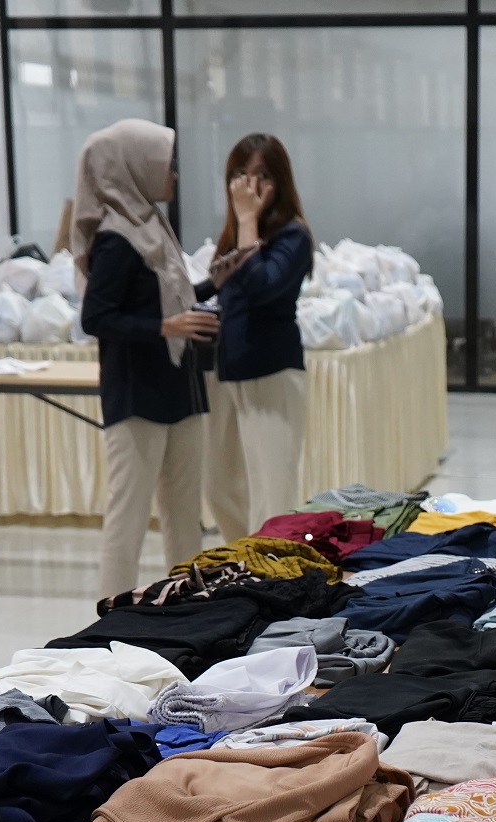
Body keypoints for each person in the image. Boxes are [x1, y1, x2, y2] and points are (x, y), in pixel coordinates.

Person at [73, 119, 214, 603]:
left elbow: (170, 297)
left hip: (178, 386)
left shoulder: (154, 227)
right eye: (165, 165)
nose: (172, 175)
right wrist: (163, 328)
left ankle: (189, 606)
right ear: (133, 168)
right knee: (128, 515)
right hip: (137, 394)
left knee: (184, 512)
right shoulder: (116, 238)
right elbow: (96, 317)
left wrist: (215, 281)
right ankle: (111, 613)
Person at [197, 133, 314, 537]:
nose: (250, 186)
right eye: (241, 175)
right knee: (219, 487)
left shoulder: (293, 235)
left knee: (271, 492)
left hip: (272, 372)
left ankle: (264, 567)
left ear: (280, 181)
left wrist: (246, 221)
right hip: (229, 373)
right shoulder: (238, 236)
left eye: (262, 175)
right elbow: (215, 288)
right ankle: (245, 557)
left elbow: (263, 285)